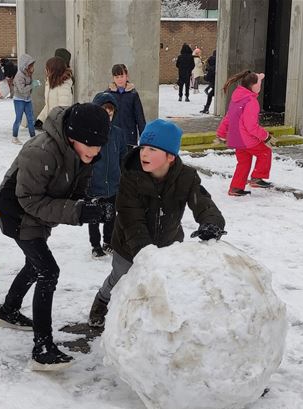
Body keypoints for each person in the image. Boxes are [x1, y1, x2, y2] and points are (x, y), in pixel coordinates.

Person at [0, 102, 113, 370]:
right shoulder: (41, 151)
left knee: (34, 265)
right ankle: (43, 348)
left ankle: (8, 311)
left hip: (39, 212)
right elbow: (29, 200)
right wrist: (79, 212)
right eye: (91, 145)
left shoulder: (84, 153)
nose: (96, 152)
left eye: (99, 146)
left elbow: (77, 190)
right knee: (48, 271)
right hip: (19, 213)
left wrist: (90, 205)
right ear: (73, 137)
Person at [88, 119, 226, 328]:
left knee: (163, 283)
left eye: (152, 149)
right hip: (128, 244)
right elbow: (130, 216)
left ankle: (157, 318)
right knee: (120, 278)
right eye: (143, 147)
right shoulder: (130, 178)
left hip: (168, 242)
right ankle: (102, 301)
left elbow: (203, 203)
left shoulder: (186, 177)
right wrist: (144, 252)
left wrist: (211, 223)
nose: (144, 154)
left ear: (170, 156)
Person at [216, 71, 274, 197]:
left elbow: (228, 118)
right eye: (259, 84)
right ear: (253, 86)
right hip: (247, 139)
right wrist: (265, 136)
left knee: (243, 162)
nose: (260, 87)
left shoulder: (236, 99)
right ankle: (257, 178)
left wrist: (221, 132)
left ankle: (235, 188)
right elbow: (251, 126)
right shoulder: (251, 102)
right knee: (265, 152)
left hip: (236, 139)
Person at [86, 92, 127, 258]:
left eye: (111, 112)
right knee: (93, 216)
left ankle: (108, 241)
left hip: (113, 182)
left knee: (111, 215)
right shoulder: (90, 133)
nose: (108, 115)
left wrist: (124, 173)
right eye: (104, 112)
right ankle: (95, 244)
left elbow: (123, 155)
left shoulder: (117, 133)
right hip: (94, 183)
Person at [106, 64, 146, 148]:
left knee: (127, 159)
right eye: (117, 77)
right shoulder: (108, 94)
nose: (120, 79)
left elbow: (139, 116)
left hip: (129, 136)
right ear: (113, 78)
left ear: (126, 76)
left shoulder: (133, 94)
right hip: (112, 136)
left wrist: (144, 136)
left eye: (121, 76)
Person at [35, 56, 73, 128]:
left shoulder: (64, 86)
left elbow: (64, 108)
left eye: (47, 69)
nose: (45, 70)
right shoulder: (49, 84)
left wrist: (58, 124)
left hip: (59, 124)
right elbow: (48, 105)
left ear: (53, 71)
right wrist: (40, 119)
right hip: (52, 123)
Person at [11, 53, 37, 145]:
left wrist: (33, 84)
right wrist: (32, 85)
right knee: (18, 119)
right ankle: (14, 137)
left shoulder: (28, 74)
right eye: (31, 66)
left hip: (27, 99)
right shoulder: (19, 76)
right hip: (19, 100)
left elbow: (29, 87)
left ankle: (33, 137)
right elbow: (22, 90)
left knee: (30, 118)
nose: (32, 68)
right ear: (25, 66)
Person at [200, 49, 216, 114]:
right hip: (217, 84)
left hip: (216, 85)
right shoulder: (218, 65)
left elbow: (207, 78)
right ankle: (206, 108)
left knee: (210, 95)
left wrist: (204, 77)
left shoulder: (211, 68)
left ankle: (206, 109)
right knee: (210, 95)